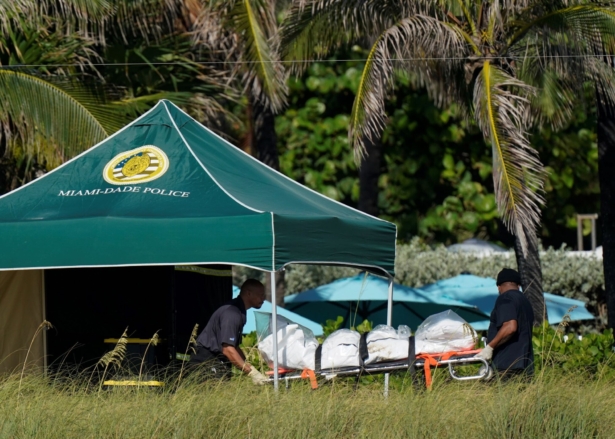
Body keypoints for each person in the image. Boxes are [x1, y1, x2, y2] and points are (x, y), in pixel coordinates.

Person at [190, 278, 269, 385]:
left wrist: (249, 367)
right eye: (261, 294)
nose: (263, 298)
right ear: (249, 293)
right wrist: (251, 373)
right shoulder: (232, 313)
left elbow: (234, 346)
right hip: (207, 360)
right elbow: (227, 349)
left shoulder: (239, 311)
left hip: (216, 359)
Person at [474, 268, 535, 379]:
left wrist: (490, 347)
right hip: (526, 365)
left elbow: (510, 327)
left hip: (506, 366)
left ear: (499, 287)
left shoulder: (505, 298)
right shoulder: (525, 301)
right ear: (518, 286)